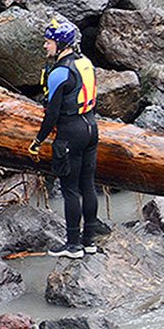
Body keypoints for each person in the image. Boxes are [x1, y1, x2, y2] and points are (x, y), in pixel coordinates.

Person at [27, 16, 110, 259]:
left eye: (48, 42)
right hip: (91, 128)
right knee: (88, 185)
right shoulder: (85, 63)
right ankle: (90, 242)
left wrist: (38, 141)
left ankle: (73, 245)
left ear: (61, 44)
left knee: (70, 190)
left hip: (70, 133)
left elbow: (51, 113)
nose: (45, 46)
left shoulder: (59, 73)